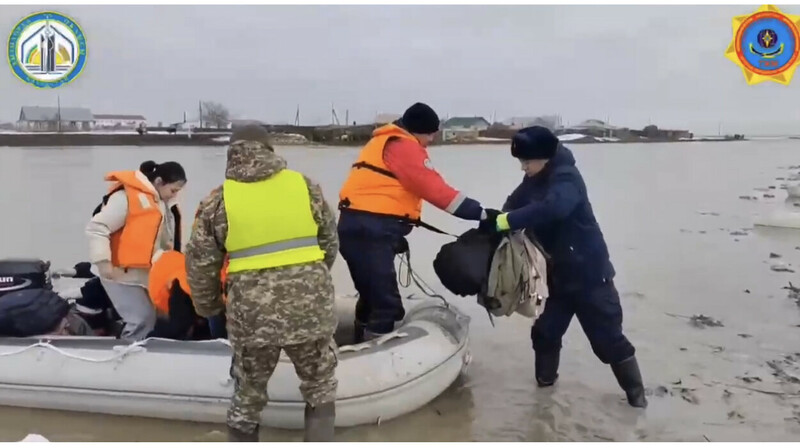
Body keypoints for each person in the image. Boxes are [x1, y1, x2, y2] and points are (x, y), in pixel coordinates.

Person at [185, 125, 339, 442]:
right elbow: (330, 242)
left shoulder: (217, 200)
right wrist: (312, 282)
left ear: (232, 152)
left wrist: (210, 308)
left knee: (248, 394)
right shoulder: (306, 186)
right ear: (269, 149)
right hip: (309, 307)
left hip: (251, 315)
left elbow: (200, 264)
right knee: (320, 384)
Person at [483, 126, 647, 408]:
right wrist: (494, 221)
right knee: (545, 333)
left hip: (590, 277)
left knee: (608, 341)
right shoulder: (533, 178)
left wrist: (507, 221)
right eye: (520, 162)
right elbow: (513, 205)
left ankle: (637, 401)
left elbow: (554, 208)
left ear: (544, 157)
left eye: (526, 161)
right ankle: (544, 395)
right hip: (556, 278)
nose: (523, 167)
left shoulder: (567, 178)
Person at [338, 102, 497, 341]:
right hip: (371, 232)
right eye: (430, 133)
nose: (432, 138)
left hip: (358, 228)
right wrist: (481, 213)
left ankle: (360, 340)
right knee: (386, 306)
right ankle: (378, 362)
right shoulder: (403, 146)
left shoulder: (382, 142)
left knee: (371, 297)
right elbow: (436, 190)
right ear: (417, 130)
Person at [85, 160, 187, 341]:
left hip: (144, 274)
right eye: (173, 190)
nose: (174, 196)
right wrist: (103, 263)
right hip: (117, 273)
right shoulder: (125, 198)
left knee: (163, 317)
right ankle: (126, 353)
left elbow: (166, 240)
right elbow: (97, 228)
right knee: (142, 319)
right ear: (159, 182)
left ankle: (148, 352)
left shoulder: (163, 203)